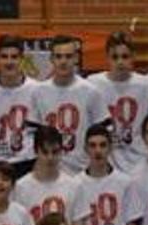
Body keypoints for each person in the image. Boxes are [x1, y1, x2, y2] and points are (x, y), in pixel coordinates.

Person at [32, 34, 109, 174]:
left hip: (83, 171)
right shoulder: (38, 92)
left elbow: (103, 134)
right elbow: (32, 135)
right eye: (58, 56)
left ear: (76, 58)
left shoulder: (91, 91)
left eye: (68, 56)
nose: (63, 61)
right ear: (51, 59)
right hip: (51, 171)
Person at [86, 31, 148, 173]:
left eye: (125, 56)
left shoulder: (146, 85)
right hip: (105, 160)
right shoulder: (93, 84)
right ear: (107, 58)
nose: (120, 62)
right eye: (115, 57)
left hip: (139, 160)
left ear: (133, 57)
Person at [71, 123, 135, 225]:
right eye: (92, 146)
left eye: (102, 145)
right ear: (86, 149)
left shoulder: (125, 182)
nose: (97, 150)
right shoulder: (75, 184)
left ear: (110, 148)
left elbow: (131, 224)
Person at [0, 35, 39, 180]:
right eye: (4, 57)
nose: (9, 62)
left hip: (26, 163)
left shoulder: (37, 90)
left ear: (22, 59)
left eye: (14, 57)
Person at [12, 125, 82, 225]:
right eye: (45, 152)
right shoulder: (20, 187)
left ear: (62, 151)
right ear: (35, 151)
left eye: (55, 152)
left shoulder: (74, 186)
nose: (50, 157)